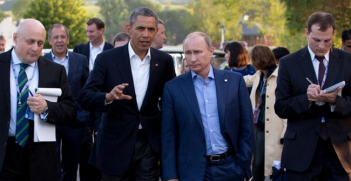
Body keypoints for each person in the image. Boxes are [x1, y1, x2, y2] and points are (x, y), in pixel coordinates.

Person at [79, 7, 175, 181]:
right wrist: (107, 97)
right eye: (140, 28)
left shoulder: (164, 61)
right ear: (129, 29)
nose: (146, 34)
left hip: (148, 145)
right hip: (115, 146)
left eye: (151, 29)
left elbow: (171, 100)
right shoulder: (107, 59)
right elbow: (85, 96)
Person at [161, 32, 254, 181]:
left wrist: (243, 166)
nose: (192, 58)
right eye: (188, 53)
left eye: (197, 52)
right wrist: (171, 176)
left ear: (211, 51)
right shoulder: (173, 88)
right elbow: (168, 136)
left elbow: (247, 127)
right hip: (191, 171)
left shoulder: (234, 81)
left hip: (230, 168)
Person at [275, 12, 351, 180]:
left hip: (341, 152)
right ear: (307, 33)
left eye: (327, 40)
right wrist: (306, 99)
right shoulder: (288, 63)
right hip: (301, 152)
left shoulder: (348, 61)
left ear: (333, 35)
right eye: (316, 40)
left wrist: (335, 101)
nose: (322, 46)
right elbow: (280, 107)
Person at [0, 19, 76, 181]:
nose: (35, 48)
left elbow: (70, 110)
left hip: (41, 155)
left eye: (40, 43)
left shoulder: (55, 71)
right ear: (15, 38)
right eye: (30, 42)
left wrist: (47, 108)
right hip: (5, 154)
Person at [44, 24, 89, 181]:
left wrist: (86, 115)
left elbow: (87, 89)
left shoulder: (81, 60)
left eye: (63, 37)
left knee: (72, 164)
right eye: (55, 37)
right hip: (50, 120)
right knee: (52, 163)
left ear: (68, 39)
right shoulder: (42, 61)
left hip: (75, 120)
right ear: (49, 40)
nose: (59, 40)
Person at [73, 17, 114, 181]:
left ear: (101, 30)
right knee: (84, 146)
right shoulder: (79, 49)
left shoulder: (111, 50)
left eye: (91, 31)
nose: (88, 34)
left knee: (101, 145)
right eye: (87, 31)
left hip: (104, 103)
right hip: (84, 104)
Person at [243, 45, 286, 181]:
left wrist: (285, 132)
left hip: (275, 126)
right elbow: (244, 80)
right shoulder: (259, 75)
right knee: (258, 162)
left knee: (272, 165)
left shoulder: (280, 76)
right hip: (259, 125)